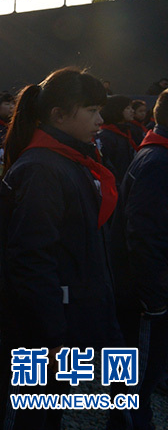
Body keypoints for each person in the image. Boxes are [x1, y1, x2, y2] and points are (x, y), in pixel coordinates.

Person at [0, 67, 123, 430]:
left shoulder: (71, 160)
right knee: (27, 416)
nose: (100, 119)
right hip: (44, 334)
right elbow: (31, 262)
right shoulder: (42, 169)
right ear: (59, 115)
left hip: (67, 323)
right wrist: (50, 335)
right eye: (91, 110)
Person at [109, 89, 168, 429]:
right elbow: (144, 237)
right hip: (144, 301)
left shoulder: (156, 153)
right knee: (135, 386)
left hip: (147, 294)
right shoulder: (158, 163)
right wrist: (155, 300)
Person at [97, 95, 137, 186]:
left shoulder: (126, 132)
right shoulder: (106, 137)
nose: (132, 111)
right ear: (117, 110)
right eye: (127, 108)